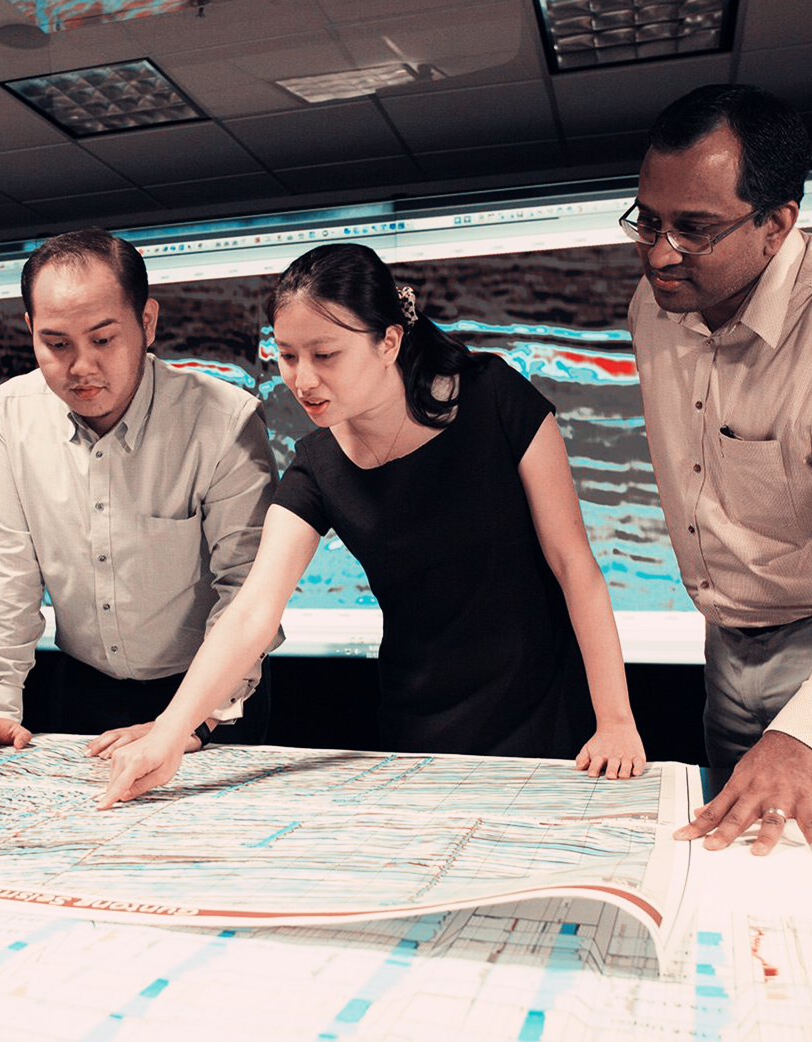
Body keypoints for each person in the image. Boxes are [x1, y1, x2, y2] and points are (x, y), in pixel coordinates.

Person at [99, 243, 646, 807]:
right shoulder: (317, 466)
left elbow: (574, 565)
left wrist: (615, 720)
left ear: (388, 342)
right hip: (418, 727)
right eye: (287, 356)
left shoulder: (492, 396)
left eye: (325, 355)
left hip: (549, 714)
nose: (302, 379)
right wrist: (170, 732)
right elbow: (251, 612)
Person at [0, 228, 279, 755]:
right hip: (80, 685)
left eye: (102, 340)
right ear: (31, 330)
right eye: (57, 344)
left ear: (147, 322)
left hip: (213, 694)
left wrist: (194, 722)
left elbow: (245, 591)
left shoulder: (224, 421)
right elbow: (11, 574)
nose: (81, 368)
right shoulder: (10, 415)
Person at [626, 84, 812, 857]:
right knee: (735, 868)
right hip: (722, 642)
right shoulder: (653, 306)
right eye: (647, 220)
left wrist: (811, 730)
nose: (659, 253)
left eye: (694, 229)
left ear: (776, 224)